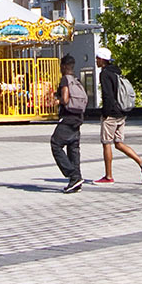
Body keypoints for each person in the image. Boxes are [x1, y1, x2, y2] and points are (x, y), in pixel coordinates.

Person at [95, 54, 142, 185]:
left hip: (111, 114)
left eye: (97, 58)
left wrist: (105, 113)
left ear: (103, 60)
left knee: (106, 143)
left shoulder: (105, 74)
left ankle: (108, 177)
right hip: (122, 112)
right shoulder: (117, 72)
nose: (96, 60)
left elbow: (107, 95)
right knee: (119, 143)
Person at [50, 54, 89, 193]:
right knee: (73, 149)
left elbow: (65, 99)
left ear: (64, 66)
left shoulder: (65, 79)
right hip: (78, 118)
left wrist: (58, 100)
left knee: (55, 143)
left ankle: (72, 175)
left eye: (61, 66)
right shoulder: (77, 80)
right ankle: (76, 180)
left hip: (67, 119)